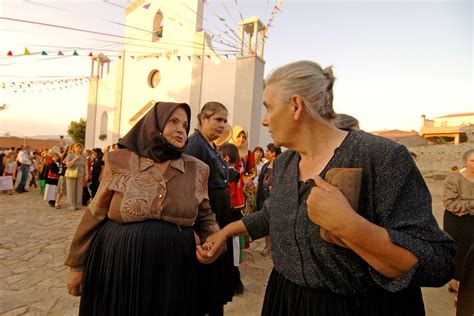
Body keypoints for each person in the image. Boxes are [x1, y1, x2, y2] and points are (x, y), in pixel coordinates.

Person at [203, 60, 455, 315]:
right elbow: (271, 216)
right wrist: (224, 234)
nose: (264, 121)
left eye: (268, 107)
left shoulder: (380, 157)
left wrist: (348, 226)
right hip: (287, 301)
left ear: (296, 105)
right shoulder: (284, 163)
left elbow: (439, 261)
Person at [65, 102, 220, 316]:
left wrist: (214, 242)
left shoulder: (197, 169)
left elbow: (205, 217)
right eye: (173, 121)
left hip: (173, 269)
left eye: (185, 125)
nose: (180, 129)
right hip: (120, 263)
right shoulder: (119, 160)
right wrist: (77, 266)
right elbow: (96, 211)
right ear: (153, 125)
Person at [184, 101, 235, 315]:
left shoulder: (210, 145)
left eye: (225, 120)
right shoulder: (195, 144)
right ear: (203, 119)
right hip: (207, 211)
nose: (222, 125)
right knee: (208, 262)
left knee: (218, 264)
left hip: (219, 208)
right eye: (218, 119)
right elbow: (189, 185)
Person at [443, 149, 474, 293]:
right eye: (472, 161)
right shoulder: (454, 179)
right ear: (465, 162)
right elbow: (450, 203)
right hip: (457, 221)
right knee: (460, 251)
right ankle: (455, 282)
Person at [219, 142, 246, 295]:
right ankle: (235, 281)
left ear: (226, 158)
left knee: (230, 248)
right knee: (234, 249)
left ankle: (235, 282)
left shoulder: (227, 174)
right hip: (237, 212)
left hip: (230, 213)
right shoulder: (237, 171)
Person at [255, 143, 281, 256]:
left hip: (274, 198)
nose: (265, 153)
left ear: (273, 153)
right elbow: (260, 180)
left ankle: (275, 249)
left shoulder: (280, 164)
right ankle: (267, 246)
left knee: (274, 224)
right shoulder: (266, 165)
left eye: (267, 151)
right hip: (262, 196)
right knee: (265, 222)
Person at [64, 143, 88, 211]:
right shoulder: (70, 155)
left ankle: (78, 205)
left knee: (79, 190)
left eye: (80, 148)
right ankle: (71, 205)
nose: (78, 149)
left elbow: (85, 166)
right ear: (74, 148)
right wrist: (75, 159)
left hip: (80, 174)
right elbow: (68, 165)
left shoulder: (83, 156)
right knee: (71, 190)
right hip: (71, 174)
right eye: (77, 147)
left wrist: (87, 174)